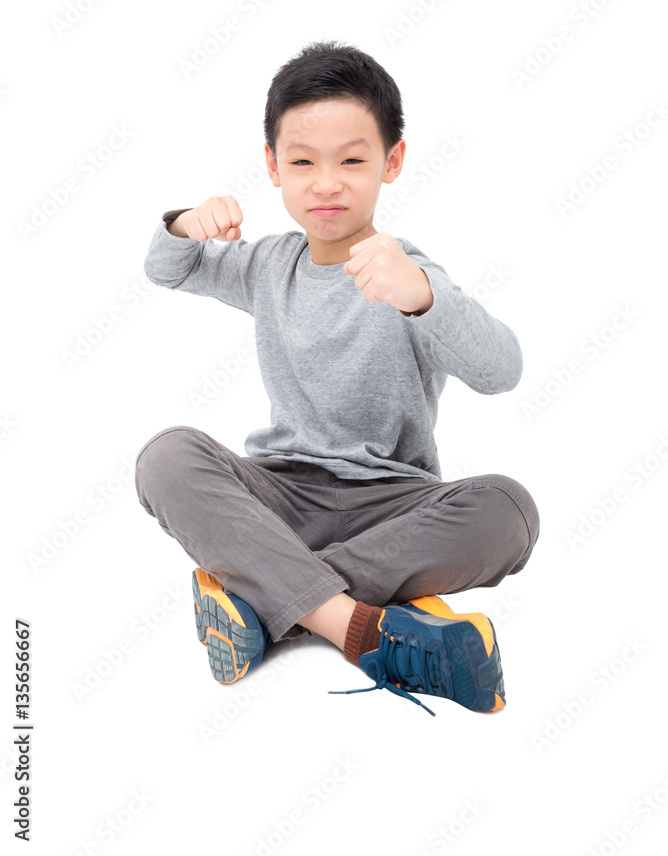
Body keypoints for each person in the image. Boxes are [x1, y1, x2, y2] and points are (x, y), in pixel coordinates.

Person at [134, 39, 540, 718]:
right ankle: (356, 626)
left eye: (352, 160)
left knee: (511, 510)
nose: (326, 182)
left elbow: (503, 370)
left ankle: (267, 596)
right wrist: (184, 223)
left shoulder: (407, 271)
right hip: (280, 496)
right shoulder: (267, 265)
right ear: (273, 167)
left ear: (393, 161)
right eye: (302, 162)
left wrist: (423, 299)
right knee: (166, 455)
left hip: (395, 506)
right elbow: (167, 267)